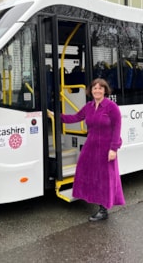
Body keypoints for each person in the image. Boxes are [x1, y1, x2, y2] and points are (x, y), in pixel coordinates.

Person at [52, 78, 125, 221]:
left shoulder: (112, 107)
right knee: (85, 171)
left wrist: (113, 149)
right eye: (94, 88)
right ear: (90, 91)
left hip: (106, 148)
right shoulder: (89, 106)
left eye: (100, 88)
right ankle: (90, 196)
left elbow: (117, 128)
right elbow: (74, 118)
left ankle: (103, 210)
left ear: (105, 90)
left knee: (104, 178)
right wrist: (56, 116)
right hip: (90, 146)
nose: (97, 90)